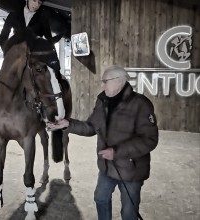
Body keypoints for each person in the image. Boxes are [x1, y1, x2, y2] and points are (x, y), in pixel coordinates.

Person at [46, 65, 159, 220]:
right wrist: (68, 124)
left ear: (119, 81)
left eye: (105, 81)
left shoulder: (141, 104)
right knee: (100, 198)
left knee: (128, 212)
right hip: (107, 167)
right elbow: (91, 127)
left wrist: (116, 152)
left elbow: (149, 140)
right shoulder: (102, 101)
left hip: (131, 170)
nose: (102, 85)